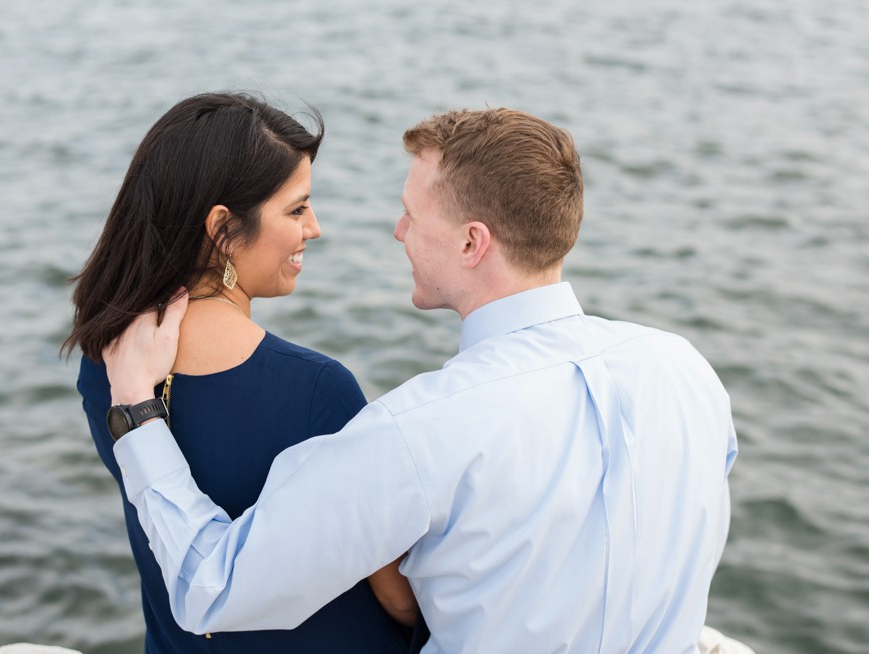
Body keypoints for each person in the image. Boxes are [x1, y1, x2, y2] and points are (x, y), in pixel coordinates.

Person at [103, 108, 739, 653]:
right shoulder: (685, 370)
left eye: (412, 215)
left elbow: (209, 588)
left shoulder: (421, 431)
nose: (398, 231)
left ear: (471, 243)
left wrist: (135, 409)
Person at [64, 93, 416, 653]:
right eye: (297, 209)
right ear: (223, 229)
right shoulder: (316, 391)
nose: (315, 228)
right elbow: (398, 598)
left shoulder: (105, 361)